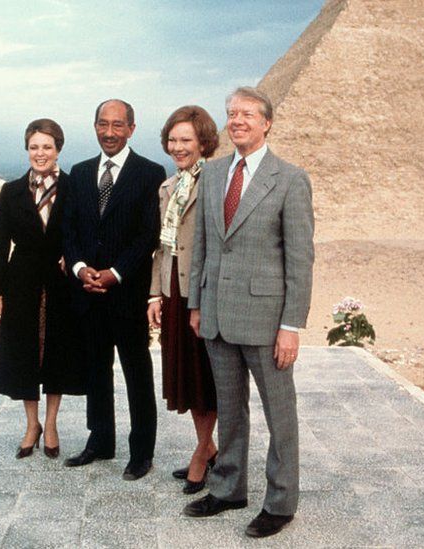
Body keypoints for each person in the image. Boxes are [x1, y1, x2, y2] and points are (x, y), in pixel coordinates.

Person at [183, 87, 314, 538]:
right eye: (231, 114)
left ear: (267, 122)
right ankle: (228, 488)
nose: (237, 120)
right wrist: (197, 303)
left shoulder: (290, 179)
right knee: (231, 410)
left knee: (281, 415)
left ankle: (280, 502)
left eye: (247, 114)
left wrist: (290, 326)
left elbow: (300, 259)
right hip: (217, 313)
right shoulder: (215, 172)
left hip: (265, 319)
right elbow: (202, 243)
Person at [61, 99, 166, 480]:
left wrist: (116, 273)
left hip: (127, 295)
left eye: (118, 125)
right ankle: (100, 441)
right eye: (103, 124)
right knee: (96, 372)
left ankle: (142, 452)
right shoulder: (80, 171)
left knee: (137, 373)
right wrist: (79, 268)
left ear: (132, 129)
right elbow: (68, 230)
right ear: (94, 126)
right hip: (88, 293)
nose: (109, 132)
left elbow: (147, 235)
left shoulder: (150, 173)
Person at [0, 118, 84, 459]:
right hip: (22, 281)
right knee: (24, 353)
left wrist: (72, 257)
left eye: (46, 147)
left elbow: (84, 234)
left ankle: (52, 422)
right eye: (33, 147)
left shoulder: (75, 188)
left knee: (56, 352)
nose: (40, 153)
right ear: (26, 149)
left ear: (58, 149)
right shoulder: (11, 192)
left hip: (61, 283)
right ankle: (32, 424)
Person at [146, 106, 219, 494]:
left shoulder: (216, 182)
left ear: (203, 142)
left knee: (205, 376)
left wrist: (205, 298)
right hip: (174, 289)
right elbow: (163, 247)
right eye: (173, 140)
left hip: (202, 291)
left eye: (186, 140)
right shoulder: (168, 187)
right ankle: (207, 447)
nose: (178, 147)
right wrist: (155, 293)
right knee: (186, 378)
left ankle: (201, 453)